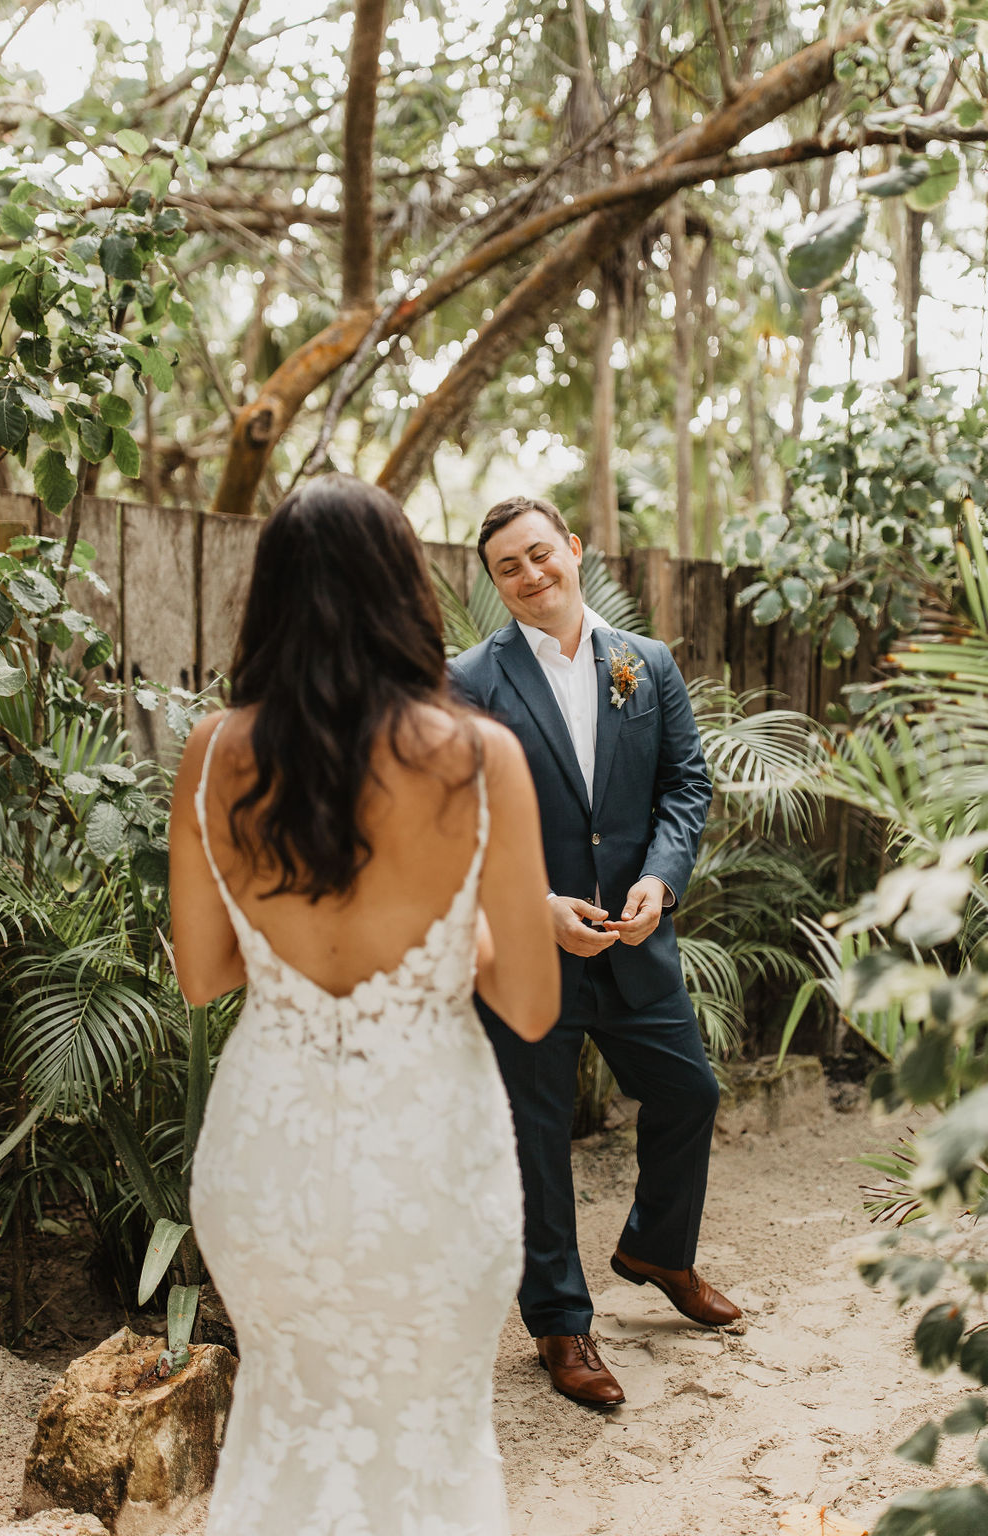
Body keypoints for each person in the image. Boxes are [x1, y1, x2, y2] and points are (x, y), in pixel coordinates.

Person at [169, 475, 559, 1536]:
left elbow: (203, 975)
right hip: (431, 1160)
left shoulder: (214, 753)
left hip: (269, 1158)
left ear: (271, 598)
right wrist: (447, 940)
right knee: (428, 1434)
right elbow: (527, 1002)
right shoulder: (481, 761)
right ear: (406, 593)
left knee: (287, 1423)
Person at [450, 494, 741, 1410]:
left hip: (637, 944)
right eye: (510, 567)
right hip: (529, 954)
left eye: (542, 554)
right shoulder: (469, 680)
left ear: (574, 550)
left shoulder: (645, 664)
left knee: (690, 1093)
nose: (532, 575)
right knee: (539, 1140)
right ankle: (560, 1328)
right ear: (495, 583)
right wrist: (532, 907)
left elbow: (685, 785)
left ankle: (658, 1249)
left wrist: (663, 878)